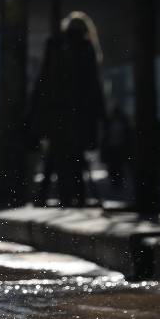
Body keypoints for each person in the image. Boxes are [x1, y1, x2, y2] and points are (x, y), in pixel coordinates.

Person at [28, 11, 106, 207]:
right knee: (74, 157)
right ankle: (75, 198)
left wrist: (34, 113)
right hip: (77, 115)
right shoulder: (85, 48)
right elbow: (93, 86)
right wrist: (100, 115)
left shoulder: (55, 46)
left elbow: (43, 81)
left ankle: (47, 196)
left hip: (57, 114)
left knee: (55, 156)